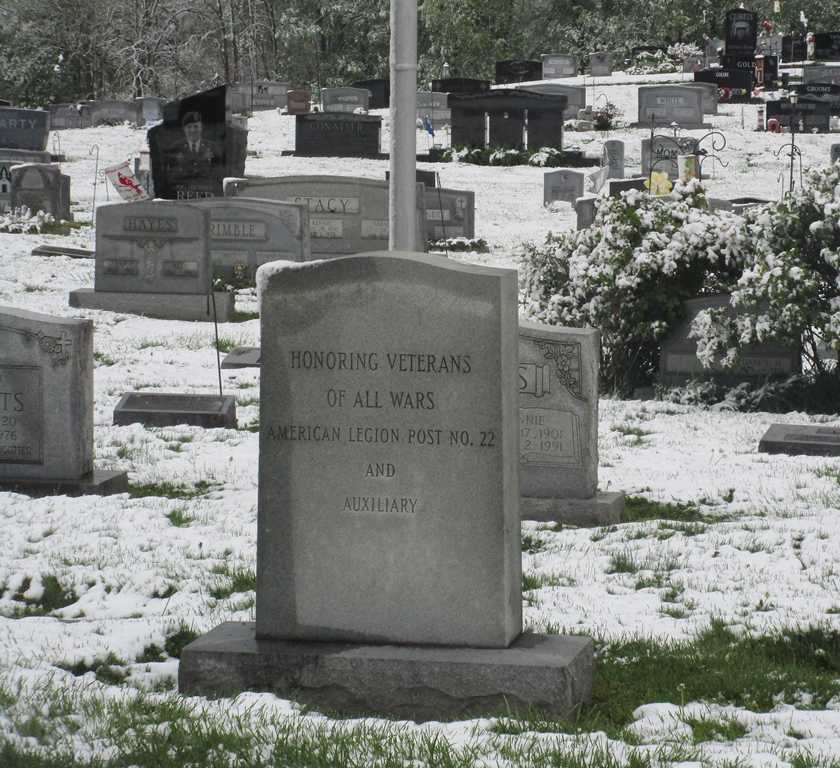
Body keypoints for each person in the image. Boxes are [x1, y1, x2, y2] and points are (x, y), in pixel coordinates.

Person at [166, 111, 223, 185]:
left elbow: (218, 173)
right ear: (184, 128)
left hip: (207, 190)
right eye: (189, 127)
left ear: (201, 127)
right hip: (183, 189)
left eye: (195, 126)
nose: (192, 130)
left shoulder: (212, 147)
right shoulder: (176, 147)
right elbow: (171, 174)